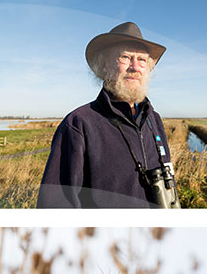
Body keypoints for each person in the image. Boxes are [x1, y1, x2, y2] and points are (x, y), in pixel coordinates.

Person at [37, 22, 175, 209]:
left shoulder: (154, 119)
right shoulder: (79, 123)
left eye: (142, 60)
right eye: (125, 57)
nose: (135, 67)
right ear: (104, 67)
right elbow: (55, 206)